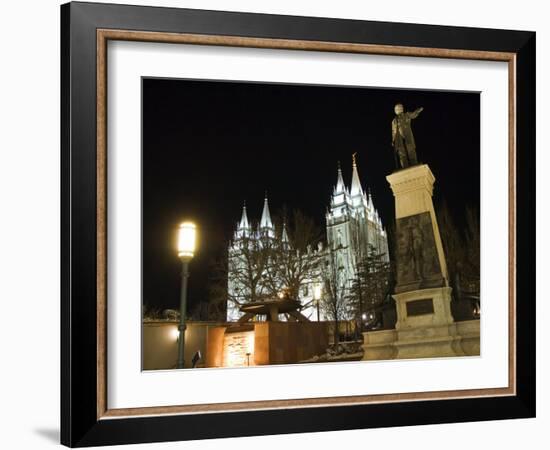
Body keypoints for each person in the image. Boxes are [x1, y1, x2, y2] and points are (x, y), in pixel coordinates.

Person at [392, 103, 423, 169]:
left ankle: (414, 164)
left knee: (410, 149)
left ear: (402, 109)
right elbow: (393, 131)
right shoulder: (394, 121)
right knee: (401, 153)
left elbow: (413, 115)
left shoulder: (406, 115)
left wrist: (417, 111)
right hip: (398, 138)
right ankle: (404, 166)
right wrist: (393, 140)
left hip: (407, 135)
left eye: (399, 108)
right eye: (396, 109)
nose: (398, 109)